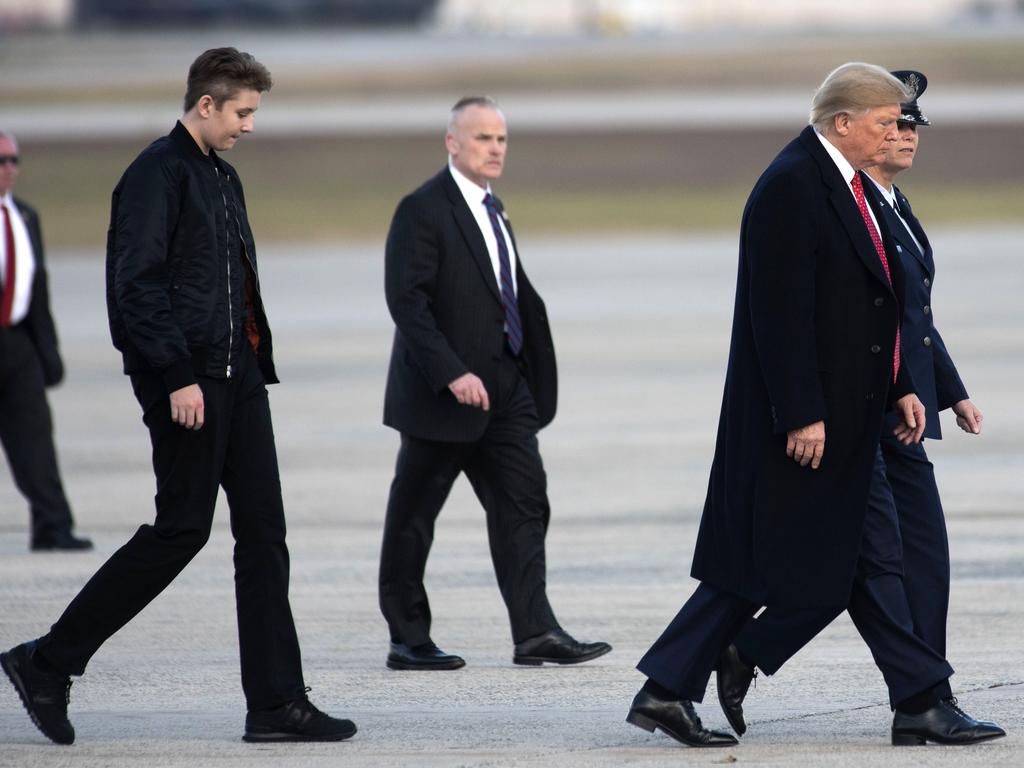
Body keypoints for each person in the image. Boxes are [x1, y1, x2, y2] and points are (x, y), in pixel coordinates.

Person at [627, 62, 1004, 748]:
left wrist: (906, 387)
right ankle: (920, 700)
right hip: (814, 422)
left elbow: (869, 311)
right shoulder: (794, 185)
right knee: (837, 563)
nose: (903, 132)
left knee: (804, 566)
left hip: (858, 415)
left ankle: (669, 686)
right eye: (889, 121)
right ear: (842, 123)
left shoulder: (849, 187)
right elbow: (780, 315)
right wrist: (802, 412)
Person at [1, 48, 355, 746]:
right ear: (205, 105)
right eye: (242, 113)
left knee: (264, 537)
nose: (249, 126)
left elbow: (229, 286)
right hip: (189, 381)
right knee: (181, 530)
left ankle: (277, 704)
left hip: (240, 378)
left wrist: (248, 363)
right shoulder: (154, 177)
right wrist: (176, 376)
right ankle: (47, 661)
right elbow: (136, 287)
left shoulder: (221, 177)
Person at [379, 96, 611, 670]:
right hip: (443, 397)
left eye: (501, 139)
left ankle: (535, 632)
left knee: (525, 506)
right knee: (414, 518)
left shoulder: (493, 208)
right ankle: (408, 638)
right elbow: (407, 303)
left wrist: (525, 373)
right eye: (482, 137)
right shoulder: (423, 209)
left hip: (506, 394)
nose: (495, 148)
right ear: (451, 143)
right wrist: (451, 371)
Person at [862, 69, 984, 698]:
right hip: (871, 410)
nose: (907, 136)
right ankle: (744, 648)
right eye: (895, 124)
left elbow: (917, 320)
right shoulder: (855, 209)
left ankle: (927, 693)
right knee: (870, 565)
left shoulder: (896, 206)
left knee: (923, 556)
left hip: (907, 411)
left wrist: (951, 389)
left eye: (913, 126)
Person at [0, 130, 92, 552]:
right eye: (1, 162)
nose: (8, 170)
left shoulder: (24, 217)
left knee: (35, 438)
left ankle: (52, 526)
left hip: (18, 345)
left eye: (13, 160)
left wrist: (47, 353)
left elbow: (37, 291)